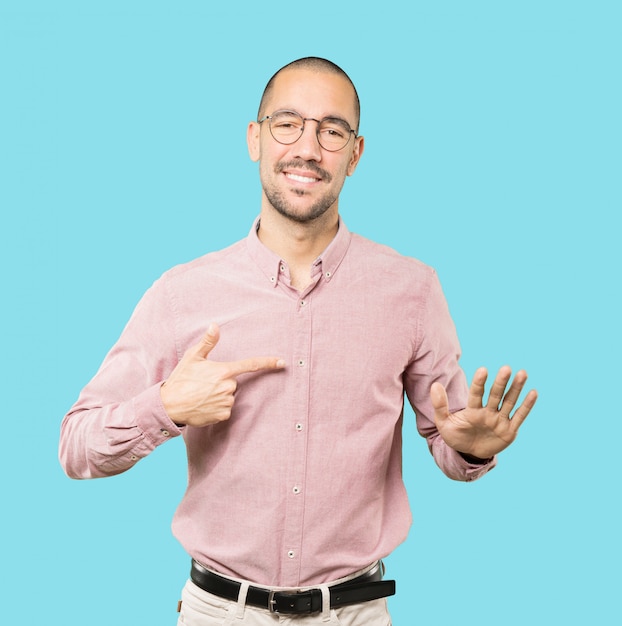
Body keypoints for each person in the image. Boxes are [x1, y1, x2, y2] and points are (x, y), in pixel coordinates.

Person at [59, 57, 538, 625]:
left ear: (356, 154)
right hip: (219, 614)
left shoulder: (412, 290)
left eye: (331, 131)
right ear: (254, 139)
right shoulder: (182, 293)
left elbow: (447, 442)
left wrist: (469, 447)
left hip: (355, 613)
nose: (308, 148)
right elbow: (76, 447)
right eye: (287, 124)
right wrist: (165, 407)